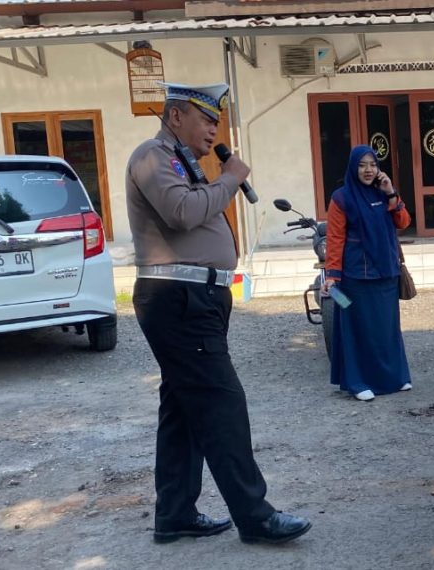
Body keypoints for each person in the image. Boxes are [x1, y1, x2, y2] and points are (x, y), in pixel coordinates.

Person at [127, 82, 310, 546]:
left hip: (198, 297)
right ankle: (255, 516)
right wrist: (229, 178)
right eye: (205, 118)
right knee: (221, 403)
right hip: (178, 299)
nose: (213, 128)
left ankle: (175, 513)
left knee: (184, 411)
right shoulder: (154, 157)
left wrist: (219, 180)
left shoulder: (183, 161)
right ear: (175, 118)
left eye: (216, 121)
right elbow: (183, 213)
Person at [324, 145, 413, 402]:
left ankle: (395, 378)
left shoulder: (383, 192)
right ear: (353, 167)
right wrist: (332, 276)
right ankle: (357, 382)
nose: (368, 170)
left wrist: (392, 194)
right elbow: (335, 238)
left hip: (386, 273)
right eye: (362, 164)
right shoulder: (341, 198)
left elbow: (403, 222)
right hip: (356, 276)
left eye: (372, 164)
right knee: (357, 329)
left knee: (387, 329)